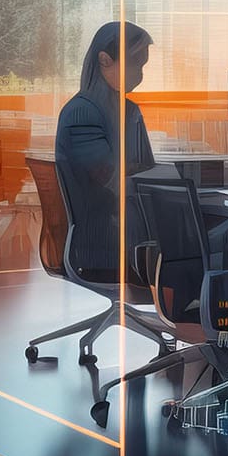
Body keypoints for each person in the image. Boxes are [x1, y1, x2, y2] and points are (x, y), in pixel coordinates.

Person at [54, 22, 158, 280]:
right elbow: (113, 180)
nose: (139, 74)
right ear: (104, 60)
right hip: (102, 247)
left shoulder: (129, 110)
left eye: (142, 66)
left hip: (129, 235)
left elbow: (145, 170)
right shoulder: (81, 113)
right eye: (134, 64)